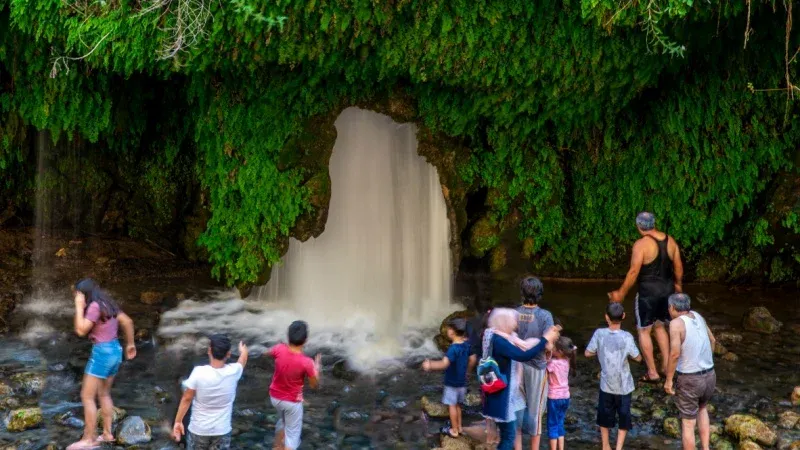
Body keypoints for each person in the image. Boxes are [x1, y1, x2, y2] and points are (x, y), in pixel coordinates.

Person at [608, 212, 683, 383]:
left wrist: (621, 293)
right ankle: (666, 367)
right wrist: (678, 286)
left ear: (638, 226)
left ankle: (652, 372)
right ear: (653, 224)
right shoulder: (670, 241)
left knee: (644, 330)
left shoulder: (641, 244)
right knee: (659, 327)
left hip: (648, 292)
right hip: (667, 290)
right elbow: (678, 265)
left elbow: (634, 272)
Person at [68, 279, 136, 450]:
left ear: (83, 294)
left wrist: (78, 306)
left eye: (77, 294)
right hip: (115, 350)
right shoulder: (107, 303)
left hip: (102, 353)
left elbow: (81, 330)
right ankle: (107, 433)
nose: (75, 296)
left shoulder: (94, 307)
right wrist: (130, 344)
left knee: (87, 396)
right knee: (104, 394)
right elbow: (127, 322)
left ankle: (89, 439)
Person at [482, 308, 561, 450]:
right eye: (512, 322)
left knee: (520, 423)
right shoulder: (501, 342)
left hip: (504, 395)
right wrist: (544, 339)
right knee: (508, 437)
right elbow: (523, 356)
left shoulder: (499, 335)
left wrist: (543, 340)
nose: (515, 324)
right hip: (502, 398)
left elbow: (524, 344)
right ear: (504, 323)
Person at [172, 334, 249, 449]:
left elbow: (187, 398)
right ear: (228, 354)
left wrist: (178, 421)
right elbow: (242, 360)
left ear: (209, 351)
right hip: (222, 430)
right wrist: (243, 351)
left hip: (199, 429)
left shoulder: (199, 373)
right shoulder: (234, 371)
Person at [585, 303, 642, 450]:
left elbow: (587, 353)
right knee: (624, 416)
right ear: (623, 316)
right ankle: (618, 447)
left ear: (606, 317)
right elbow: (638, 358)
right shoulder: (627, 336)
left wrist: (599, 352)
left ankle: (605, 445)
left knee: (604, 415)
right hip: (624, 386)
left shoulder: (599, 334)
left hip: (606, 384)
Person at [663, 293, 716, 450]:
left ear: (672, 307)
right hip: (709, 374)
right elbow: (712, 340)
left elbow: (674, 354)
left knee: (687, 423)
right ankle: (705, 448)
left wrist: (669, 380)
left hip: (690, 378)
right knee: (702, 408)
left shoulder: (676, 324)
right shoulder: (698, 316)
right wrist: (706, 361)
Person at [267, 321, 321, 450]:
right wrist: (316, 369)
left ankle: (277, 447)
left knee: (282, 421)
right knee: (292, 436)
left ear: (288, 336)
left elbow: (269, 353)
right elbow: (314, 385)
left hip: (274, 397)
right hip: (291, 402)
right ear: (305, 340)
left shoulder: (279, 349)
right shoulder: (306, 362)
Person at [516, 276, 554, 450]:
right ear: (540, 294)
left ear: (522, 293)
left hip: (516, 366)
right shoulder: (545, 316)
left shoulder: (515, 313)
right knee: (535, 411)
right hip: (537, 368)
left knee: (517, 407)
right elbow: (548, 345)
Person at [422, 318, 476, 438]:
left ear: (452, 332)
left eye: (448, 329)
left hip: (451, 383)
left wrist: (430, 365)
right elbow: (473, 359)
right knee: (458, 406)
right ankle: (460, 427)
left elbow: (444, 364)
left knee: (452, 406)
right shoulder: (467, 345)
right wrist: (468, 371)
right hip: (462, 382)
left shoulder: (453, 349)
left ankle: (454, 430)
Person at [546, 336, 577, 450]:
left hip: (554, 397)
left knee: (552, 424)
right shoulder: (567, 360)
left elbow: (543, 367)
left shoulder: (553, 363)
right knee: (560, 422)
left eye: (553, 348)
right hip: (565, 396)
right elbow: (573, 348)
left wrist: (547, 354)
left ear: (559, 351)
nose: (551, 349)